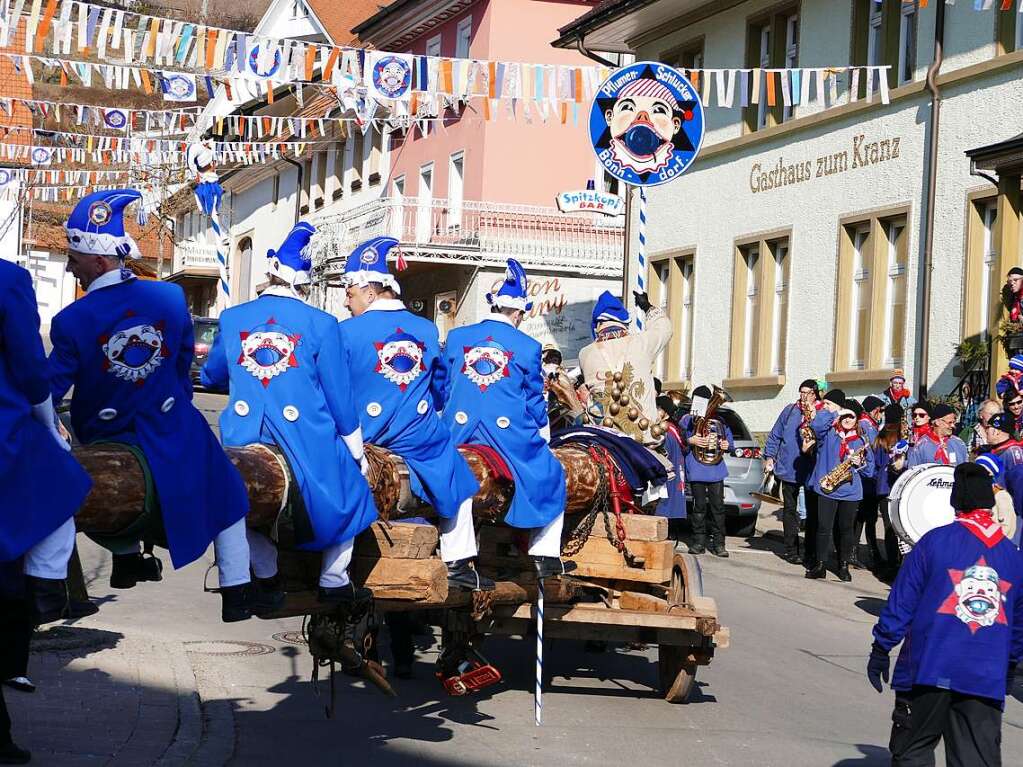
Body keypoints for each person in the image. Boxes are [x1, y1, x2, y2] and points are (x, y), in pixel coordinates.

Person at [49, 189, 273, 623]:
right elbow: (185, 361)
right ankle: (236, 591)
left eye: (74, 257)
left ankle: (127, 556)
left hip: (107, 430)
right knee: (225, 491)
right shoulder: (170, 299)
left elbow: (50, 389)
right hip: (171, 423)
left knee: (78, 458)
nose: (69, 265)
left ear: (97, 261)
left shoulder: (71, 320)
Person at [200, 223, 378, 604]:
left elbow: (212, 376)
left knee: (229, 493)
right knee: (354, 494)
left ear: (271, 273)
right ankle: (333, 580)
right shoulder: (322, 323)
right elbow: (338, 397)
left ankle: (264, 566)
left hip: (243, 433)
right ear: (303, 283)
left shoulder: (233, 318)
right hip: (304, 437)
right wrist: (356, 449)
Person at [337, 237, 493, 592]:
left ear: (368, 290)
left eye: (349, 292)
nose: (346, 301)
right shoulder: (425, 329)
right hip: (417, 437)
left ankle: (335, 569)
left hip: (364, 435)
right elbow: (440, 387)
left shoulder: (345, 331)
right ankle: (458, 560)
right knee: (458, 479)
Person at [867, 462, 1023, 766]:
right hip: (985, 674)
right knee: (976, 759)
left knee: (913, 750)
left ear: (956, 501)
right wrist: (1010, 664)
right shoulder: (1013, 557)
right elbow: (1018, 625)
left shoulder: (934, 542)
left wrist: (881, 646)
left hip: (929, 667)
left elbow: (901, 601)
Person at [441, 259, 573, 580]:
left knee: (455, 477)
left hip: (457, 430)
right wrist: (542, 438)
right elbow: (534, 402)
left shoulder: (457, 337)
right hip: (504, 436)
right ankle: (544, 554)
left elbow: (443, 387)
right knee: (553, 474)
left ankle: (455, 557)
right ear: (517, 312)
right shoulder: (528, 346)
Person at [0, 258, 95, 625]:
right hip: (5, 424)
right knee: (63, 482)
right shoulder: (9, 278)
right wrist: (50, 423)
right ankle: (47, 592)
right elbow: (30, 368)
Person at [578, 290, 671, 445]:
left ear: (597, 326)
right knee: (665, 468)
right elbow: (664, 328)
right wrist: (647, 307)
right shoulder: (641, 343)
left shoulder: (585, 354)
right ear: (625, 322)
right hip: (644, 441)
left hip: (603, 439)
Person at [805, 391, 875, 582]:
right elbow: (816, 425)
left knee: (846, 530)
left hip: (851, 492)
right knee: (823, 527)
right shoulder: (829, 435)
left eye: (851, 416)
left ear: (857, 420)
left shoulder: (862, 441)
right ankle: (820, 565)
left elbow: (870, 471)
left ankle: (843, 566)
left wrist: (859, 463)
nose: (847, 419)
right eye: (845, 415)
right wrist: (835, 412)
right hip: (827, 488)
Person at [764, 379, 819, 564]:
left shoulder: (820, 411)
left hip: (811, 469)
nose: (803, 396)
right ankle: (791, 549)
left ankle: (811, 550)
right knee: (789, 510)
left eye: (808, 393)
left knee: (812, 512)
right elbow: (775, 434)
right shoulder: (790, 410)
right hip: (789, 468)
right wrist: (770, 457)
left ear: (815, 394)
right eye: (801, 392)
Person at [678, 385, 734, 557]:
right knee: (699, 508)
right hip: (696, 468)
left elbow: (728, 442)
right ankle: (698, 542)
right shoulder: (687, 420)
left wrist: (727, 445)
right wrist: (690, 440)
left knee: (718, 508)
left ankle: (719, 544)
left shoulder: (719, 421)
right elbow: (680, 440)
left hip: (715, 469)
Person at [873, 420, 907, 582]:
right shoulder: (887, 448)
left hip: (886, 490)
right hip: (889, 489)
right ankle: (894, 564)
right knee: (893, 528)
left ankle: (894, 563)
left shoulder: (881, 444)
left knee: (891, 529)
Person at [655, 395, 686, 545]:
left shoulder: (665, 431)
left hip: (668, 473)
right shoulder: (673, 429)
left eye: (658, 408)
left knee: (664, 504)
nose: (656, 411)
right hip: (674, 471)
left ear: (666, 413)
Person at [907, 403, 969, 468]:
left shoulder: (959, 443)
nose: (953, 426)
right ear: (937, 422)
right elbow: (913, 471)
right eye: (949, 423)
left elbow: (966, 470)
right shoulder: (921, 445)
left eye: (953, 422)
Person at [975, 454, 1018, 542]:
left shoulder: (1000, 495)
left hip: (995, 546)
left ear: (990, 473)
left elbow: (1007, 527)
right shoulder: (975, 493)